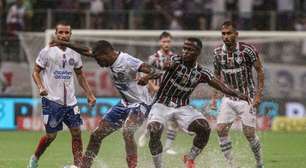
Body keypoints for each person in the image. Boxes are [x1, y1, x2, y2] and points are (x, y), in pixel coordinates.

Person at [50, 39, 163, 168]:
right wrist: (65, 44)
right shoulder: (105, 56)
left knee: (127, 132)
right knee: (96, 135)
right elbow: (86, 51)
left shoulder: (127, 61)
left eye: (98, 59)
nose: (98, 62)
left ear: (106, 54)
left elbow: (157, 72)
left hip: (141, 104)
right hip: (125, 104)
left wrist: (146, 77)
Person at [144, 37, 250, 168]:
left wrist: (238, 94)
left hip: (183, 107)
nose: (185, 52)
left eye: (190, 49)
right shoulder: (175, 60)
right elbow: (163, 68)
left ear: (198, 52)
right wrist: (149, 76)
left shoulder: (201, 72)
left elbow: (221, 86)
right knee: (155, 130)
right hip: (161, 104)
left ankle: (190, 158)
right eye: (184, 48)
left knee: (204, 128)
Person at [27, 22, 96, 168]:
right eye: (61, 33)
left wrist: (89, 94)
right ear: (56, 34)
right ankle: (35, 158)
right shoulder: (46, 51)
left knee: (77, 132)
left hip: (71, 101)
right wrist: (40, 87)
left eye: (66, 33)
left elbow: (80, 75)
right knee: (51, 136)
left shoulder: (75, 52)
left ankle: (77, 166)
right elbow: (35, 72)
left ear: (70, 35)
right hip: (52, 101)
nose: (63, 35)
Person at [210, 21, 265, 168]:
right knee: (220, 130)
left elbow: (260, 71)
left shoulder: (248, 50)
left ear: (236, 34)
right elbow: (216, 76)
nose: (226, 36)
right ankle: (231, 165)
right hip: (228, 98)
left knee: (249, 134)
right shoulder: (217, 53)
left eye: (229, 33)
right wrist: (214, 98)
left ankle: (259, 163)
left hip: (247, 98)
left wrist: (258, 95)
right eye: (223, 34)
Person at [138, 31, 178, 155]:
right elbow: (144, 73)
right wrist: (153, 86)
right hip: (157, 94)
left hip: (171, 94)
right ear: (160, 42)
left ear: (171, 43)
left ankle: (167, 147)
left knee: (174, 121)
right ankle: (146, 133)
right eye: (164, 41)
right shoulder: (154, 57)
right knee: (155, 120)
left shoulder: (175, 58)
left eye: (168, 41)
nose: (166, 44)